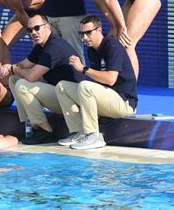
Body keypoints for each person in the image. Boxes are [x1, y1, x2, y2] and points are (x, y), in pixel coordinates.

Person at [55, 0, 164, 78]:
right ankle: (118, 87)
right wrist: (114, 25)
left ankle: (130, 93)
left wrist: (121, 26)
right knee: (116, 41)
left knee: (127, 43)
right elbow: (99, 2)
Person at [0, 14, 85, 145]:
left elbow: (32, 76)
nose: (33, 32)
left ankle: (46, 131)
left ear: (47, 27)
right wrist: (9, 68)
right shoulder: (41, 46)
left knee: (22, 84)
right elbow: (24, 64)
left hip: (70, 100)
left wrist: (14, 69)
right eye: (30, 30)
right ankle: (31, 126)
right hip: (58, 91)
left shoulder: (54, 47)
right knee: (14, 79)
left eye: (37, 28)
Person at [55, 15, 138, 150]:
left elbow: (111, 79)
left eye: (88, 33)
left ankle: (94, 135)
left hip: (124, 103)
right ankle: (79, 131)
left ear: (99, 30)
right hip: (108, 98)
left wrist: (83, 69)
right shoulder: (91, 49)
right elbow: (98, 82)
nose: (85, 38)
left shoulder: (112, 46)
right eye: (81, 34)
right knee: (62, 87)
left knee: (85, 85)